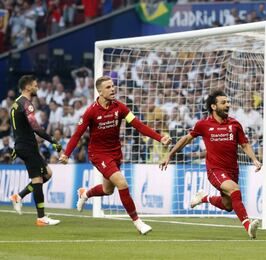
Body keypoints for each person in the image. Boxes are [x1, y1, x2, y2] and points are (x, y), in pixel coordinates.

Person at [59, 76, 171, 235]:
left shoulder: (120, 107)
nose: (113, 89)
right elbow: (77, 134)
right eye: (108, 87)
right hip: (98, 154)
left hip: (115, 153)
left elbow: (138, 125)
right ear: (99, 91)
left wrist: (160, 138)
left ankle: (85, 193)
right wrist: (66, 154)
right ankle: (138, 223)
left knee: (107, 189)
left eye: (113, 86)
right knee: (122, 183)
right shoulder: (91, 111)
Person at [159, 89, 262, 239]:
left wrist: (254, 159)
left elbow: (245, 144)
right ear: (214, 107)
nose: (228, 105)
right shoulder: (203, 124)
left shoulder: (235, 124)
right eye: (223, 102)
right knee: (234, 189)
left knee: (228, 205)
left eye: (228, 102)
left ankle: (203, 198)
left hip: (233, 170)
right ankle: (248, 227)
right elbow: (186, 139)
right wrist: (170, 155)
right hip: (215, 170)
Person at [9, 75, 62, 226]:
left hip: (22, 145)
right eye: (35, 85)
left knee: (47, 174)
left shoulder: (15, 104)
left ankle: (18, 196)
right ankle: (41, 218)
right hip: (27, 146)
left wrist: (17, 146)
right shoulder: (27, 104)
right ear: (27, 87)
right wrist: (53, 141)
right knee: (38, 180)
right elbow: (35, 127)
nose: (37, 87)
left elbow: (17, 127)